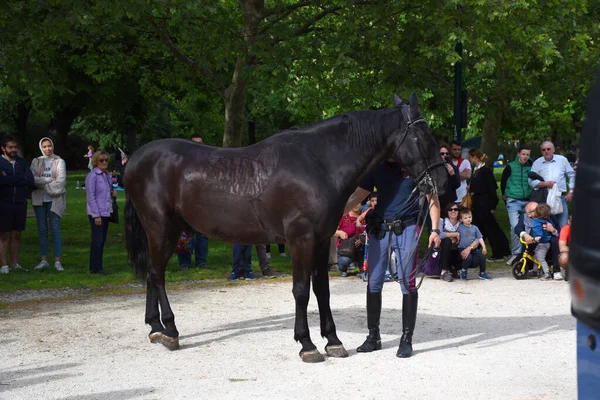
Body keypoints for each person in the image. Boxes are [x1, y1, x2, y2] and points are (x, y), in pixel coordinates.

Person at [346, 160, 441, 358]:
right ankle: (373, 337)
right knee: (373, 282)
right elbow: (358, 195)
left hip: (406, 228)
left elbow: (433, 199)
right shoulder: (376, 166)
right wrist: (335, 213)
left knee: (408, 282)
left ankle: (406, 339)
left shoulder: (416, 167)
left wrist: (434, 229)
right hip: (380, 229)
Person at [30, 137, 67, 271]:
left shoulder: (59, 161)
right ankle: (44, 260)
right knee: (42, 230)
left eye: (49, 146)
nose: (48, 149)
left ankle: (57, 261)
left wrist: (43, 184)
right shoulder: (36, 161)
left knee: (55, 230)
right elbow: (32, 179)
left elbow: (60, 182)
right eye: (45, 146)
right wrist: (49, 179)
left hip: (54, 200)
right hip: (39, 200)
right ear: (41, 147)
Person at [468, 148, 511, 260]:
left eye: (470, 157)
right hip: (478, 205)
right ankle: (477, 250)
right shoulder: (477, 171)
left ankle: (500, 251)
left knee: (490, 229)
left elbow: (492, 190)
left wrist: (492, 206)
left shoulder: (485, 171)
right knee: (482, 228)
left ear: (474, 157)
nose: (470, 160)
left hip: (484, 205)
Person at [0, 135, 34, 274]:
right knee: (3, 235)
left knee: (16, 234)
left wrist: (8, 178)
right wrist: (19, 179)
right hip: (4, 202)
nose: (14, 150)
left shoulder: (21, 162)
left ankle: (15, 263)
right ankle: (4, 265)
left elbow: (30, 179)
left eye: (15, 147)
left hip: (20, 202)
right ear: (3, 149)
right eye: (10, 147)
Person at [178, 134, 210, 270]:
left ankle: (201, 262)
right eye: (195, 143)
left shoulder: (207, 164)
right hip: (186, 202)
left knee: (202, 234)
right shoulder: (182, 164)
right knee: (185, 234)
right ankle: (184, 262)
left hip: (202, 203)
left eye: (200, 143)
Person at [529, 141, 576, 229]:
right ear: (541, 151)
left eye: (548, 149)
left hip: (560, 198)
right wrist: (545, 184)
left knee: (563, 227)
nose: (546, 151)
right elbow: (531, 181)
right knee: (547, 228)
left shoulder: (562, 160)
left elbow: (571, 175)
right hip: (543, 199)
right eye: (543, 150)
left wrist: (571, 191)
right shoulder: (537, 163)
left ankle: (562, 243)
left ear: (553, 149)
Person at [501, 146, 533, 265]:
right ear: (519, 154)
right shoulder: (510, 167)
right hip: (513, 200)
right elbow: (503, 183)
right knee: (515, 227)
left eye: (527, 154)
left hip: (527, 201)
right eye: (523, 154)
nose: (525, 156)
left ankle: (526, 253)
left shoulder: (531, 167)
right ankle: (515, 254)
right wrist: (506, 197)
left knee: (528, 227)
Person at [85, 150, 116, 275]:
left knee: (102, 240)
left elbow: (106, 192)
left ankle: (98, 266)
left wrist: (112, 193)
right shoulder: (92, 176)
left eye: (106, 160)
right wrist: (96, 215)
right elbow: (91, 197)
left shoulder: (107, 175)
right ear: (96, 162)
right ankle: (95, 267)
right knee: (97, 241)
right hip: (96, 213)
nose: (104, 162)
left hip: (106, 211)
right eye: (101, 160)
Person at [456, 208, 491, 280]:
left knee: (482, 257)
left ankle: (482, 273)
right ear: (461, 219)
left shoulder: (475, 228)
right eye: (465, 218)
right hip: (462, 248)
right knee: (467, 257)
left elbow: (480, 238)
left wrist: (484, 247)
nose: (468, 219)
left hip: (474, 248)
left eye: (469, 217)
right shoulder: (459, 227)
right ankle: (464, 271)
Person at [334, 203, 365, 277]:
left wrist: (362, 239)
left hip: (361, 248)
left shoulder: (364, 215)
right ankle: (342, 269)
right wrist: (340, 232)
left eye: (358, 203)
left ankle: (362, 269)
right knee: (345, 260)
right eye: (354, 202)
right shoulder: (344, 216)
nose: (356, 205)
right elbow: (332, 231)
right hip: (346, 248)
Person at [531, 203, 557, 280]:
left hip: (543, 242)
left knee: (541, 258)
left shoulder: (537, 222)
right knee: (536, 256)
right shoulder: (548, 220)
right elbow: (552, 226)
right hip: (544, 242)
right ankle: (534, 271)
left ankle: (547, 273)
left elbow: (537, 230)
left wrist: (538, 237)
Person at [439, 203, 463, 282]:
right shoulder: (442, 221)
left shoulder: (462, 222)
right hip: (443, 249)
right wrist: (455, 234)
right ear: (447, 211)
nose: (453, 211)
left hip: (457, 249)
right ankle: (444, 271)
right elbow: (440, 235)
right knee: (447, 241)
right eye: (450, 209)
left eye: (455, 209)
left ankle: (456, 269)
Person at [438, 144, 461, 212]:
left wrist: (452, 174)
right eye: (442, 154)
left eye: (447, 153)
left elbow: (457, 185)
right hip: (438, 201)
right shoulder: (435, 169)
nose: (444, 155)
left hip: (450, 201)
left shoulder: (454, 168)